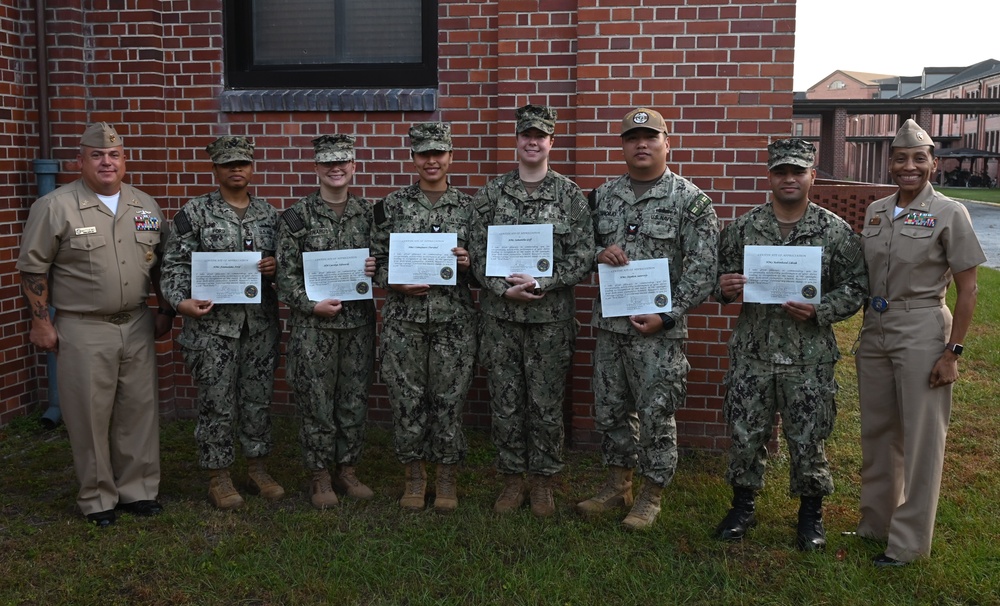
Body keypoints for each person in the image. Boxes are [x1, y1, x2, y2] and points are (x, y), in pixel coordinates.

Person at [712, 139, 867, 549]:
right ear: (770, 177)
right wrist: (725, 288)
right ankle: (742, 506)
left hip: (808, 356)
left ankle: (811, 514)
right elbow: (719, 278)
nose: (789, 179)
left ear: (812, 175)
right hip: (754, 352)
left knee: (808, 436)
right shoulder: (744, 229)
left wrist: (821, 309)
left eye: (798, 171)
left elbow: (856, 287)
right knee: (747, 432)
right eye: (781, 171)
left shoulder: (834, 231)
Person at [17, 122, 171, 526]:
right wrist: (41, 323)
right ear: (80, 161)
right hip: (83, 327)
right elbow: (34, 268)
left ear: (124, 160)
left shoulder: (145, 206)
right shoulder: (55, 206)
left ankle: (138, 490)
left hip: (137, 322)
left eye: (114, 154)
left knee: (139, 410)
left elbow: (160, 266)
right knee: (88, 413)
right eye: (97, 155)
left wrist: (165, 310)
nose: (107, 162)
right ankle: (98, 497)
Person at [576, 108, 719, 530]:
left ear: (666, 143)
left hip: (660, 333)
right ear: (622, 145)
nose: (641, 144)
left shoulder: (690, 202)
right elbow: (580, 250)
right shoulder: (602, 197)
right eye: (632, 137)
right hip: (611, 328)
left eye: (650, 136)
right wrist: (597, 254)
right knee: (610, 411)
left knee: (657, 412)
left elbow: (703, 269)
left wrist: (668, 316)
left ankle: (651, 495)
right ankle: (617, 484)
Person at [855, 120, 985, 566]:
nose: (908, 166)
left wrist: (953, 352)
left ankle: (908, 544)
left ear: (933, 162)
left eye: (918, 158)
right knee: (877, 430)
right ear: (890, 163)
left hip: (923, 329)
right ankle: (876, 524)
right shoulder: (876, 211)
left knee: (923, 439)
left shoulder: (950, 213)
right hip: (876, 329)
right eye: (900, 158)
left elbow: (968, 290)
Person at [469, 104, 595, 517]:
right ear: (517, 140)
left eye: (540, 136)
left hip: (549, 321)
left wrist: (544, 282)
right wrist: (500, 289)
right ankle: (511, 479)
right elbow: (474, 255)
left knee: (545, 403)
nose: (533, 142)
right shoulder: (491, 194)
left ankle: (542, 482)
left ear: (551, 142)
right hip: (501, 319)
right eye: (526, 135)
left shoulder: (570, 196)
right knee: (505, 401)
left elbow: (583, 256)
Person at [160, 136, 284, 510]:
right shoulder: (195, 213)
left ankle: (257, 467)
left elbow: (286, 265)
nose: (236, 169)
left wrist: (274, 266)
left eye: (243, 163)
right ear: (215, 169)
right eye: (228, 163)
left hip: (258, 326)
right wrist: (181, 303)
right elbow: (174, 265)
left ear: (252, 168)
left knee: (257, 399)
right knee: (216, 402)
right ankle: (219, 475)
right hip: (212, 328)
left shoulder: (270, 214)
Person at [371, 123, 476, 512]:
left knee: (450, 399)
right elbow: (374, 263)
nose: (431, 161)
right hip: (404, 321)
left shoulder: (470, 207)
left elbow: (484, 267)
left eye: (439, 153)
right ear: (413, 158)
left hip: (454, 321)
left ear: (450, 157)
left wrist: (468, 264)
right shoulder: (390, 206)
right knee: (407, 400)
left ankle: (446, 476)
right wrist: (392, 282)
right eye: (423, 154)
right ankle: (414, 475)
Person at [275, 134, 376, 509]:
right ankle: (319, 474)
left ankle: (347, 469)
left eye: (343, 162)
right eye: (328, 163)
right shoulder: (296, 217)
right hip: (313, 326)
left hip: (357, 325)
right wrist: (308, 304)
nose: (336, 169)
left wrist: (375, 266)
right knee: (315, 401)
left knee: (353, 399)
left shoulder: (369, 215)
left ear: (353, 166)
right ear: (317, 167)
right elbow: (284, 276)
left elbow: (384, 262)